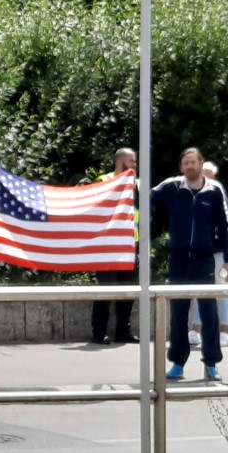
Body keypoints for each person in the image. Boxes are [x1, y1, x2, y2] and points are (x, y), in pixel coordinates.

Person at [152, 147, 228, 382]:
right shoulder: (171, 187)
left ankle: (211, 364)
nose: (189, 166)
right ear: (181, 167)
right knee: (178, 314)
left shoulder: (213, 190)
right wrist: (125, 181)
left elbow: (226, 225)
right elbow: (145, 197)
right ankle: (178, 363)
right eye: (185, 163)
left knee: (209, 314)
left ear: (201, 164)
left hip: (204, 260)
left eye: (193, 162)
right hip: (179, 260)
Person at [90, 147, 139, 345]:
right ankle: (98, 333)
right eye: (131, 161)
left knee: (127, 293)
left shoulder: (138, 185)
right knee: (105, 291)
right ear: (120, 162)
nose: (135, 166)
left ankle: (122, 332)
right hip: (107, 249)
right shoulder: (104, 181)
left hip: (129, 247)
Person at [189, 160, 228, 350]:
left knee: (222, 290)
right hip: (196, 254)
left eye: (208, 174)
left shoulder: (219, 196)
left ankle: (224, 331)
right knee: (196, 292)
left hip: (218, 253)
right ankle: (195, 330)